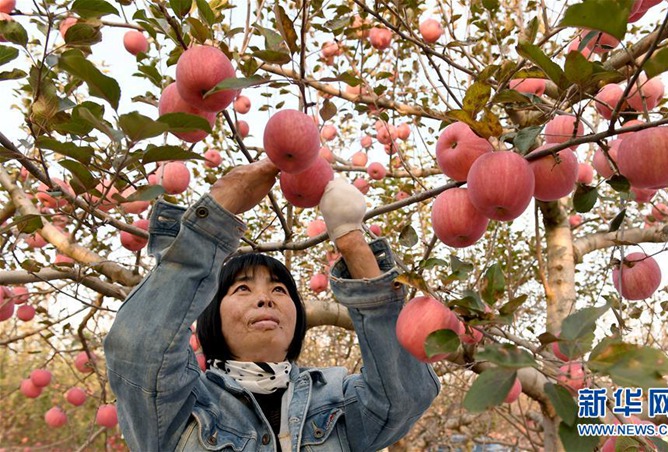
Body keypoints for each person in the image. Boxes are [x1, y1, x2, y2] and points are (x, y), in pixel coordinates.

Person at [104, 158, 440, 451]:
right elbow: (138, 350)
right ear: (211, 315)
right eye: (242, 290)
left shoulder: (335, 401)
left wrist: (352, 241)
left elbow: (404, 394)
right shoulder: (180, 406)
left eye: (279, 290)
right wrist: (219, 208)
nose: (265, 297)